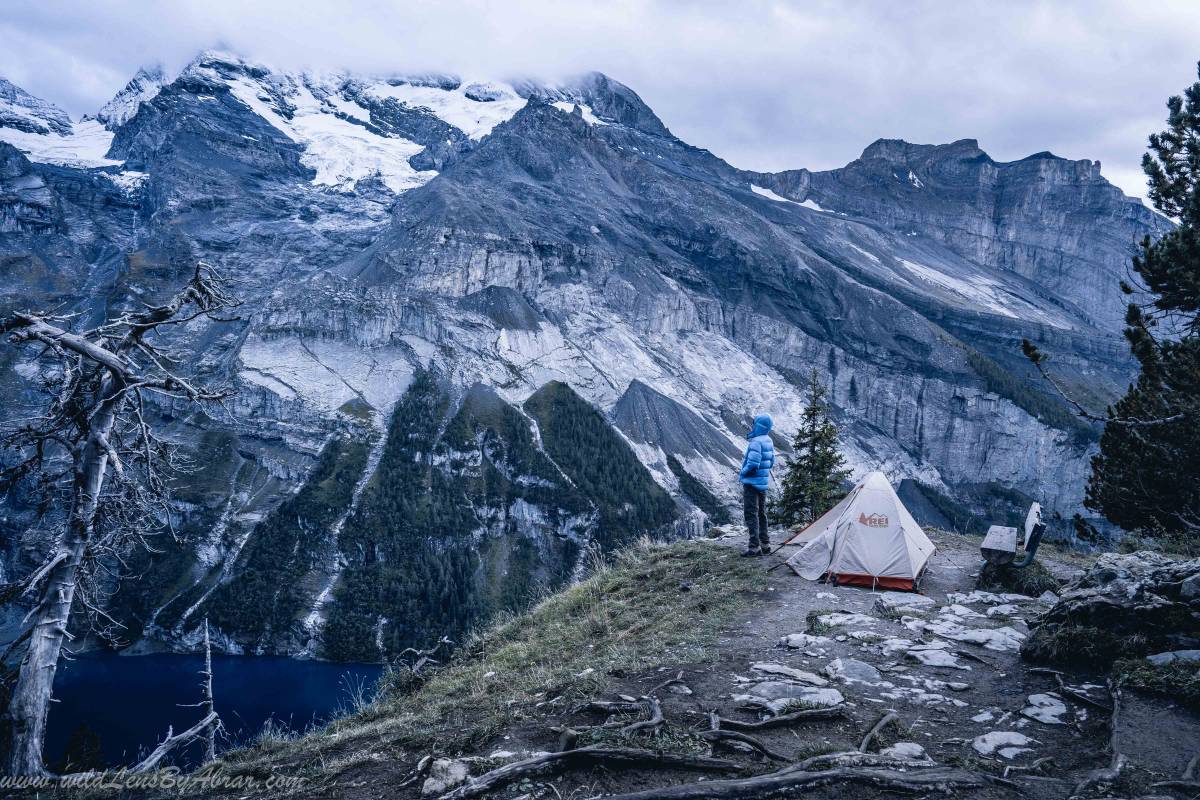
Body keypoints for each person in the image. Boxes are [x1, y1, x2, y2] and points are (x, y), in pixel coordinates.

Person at [739, 414, 775, 556]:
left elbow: (753, 464)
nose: (753, 426)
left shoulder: (756, 442)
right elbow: (771, 461)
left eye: (755, 424)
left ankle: (754, 547)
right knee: (761, 513)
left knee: (751, 514)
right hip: (762, 482)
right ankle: (765, 544)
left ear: (759, 426)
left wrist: (743, 472)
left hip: (752, 483)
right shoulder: (769, 440)